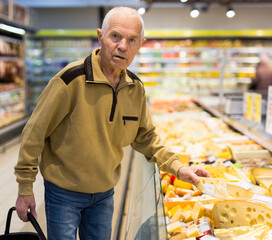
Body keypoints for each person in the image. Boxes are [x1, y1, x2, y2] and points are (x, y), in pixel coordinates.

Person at [14, 6, 211, 240]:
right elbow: (34, 134)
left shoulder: (135, 88)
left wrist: (178, 168)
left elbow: (146, 137)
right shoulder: (70, 80)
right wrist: (25, 187)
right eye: (115, 36)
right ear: (100, 36)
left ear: (140, 44)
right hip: (64, 194)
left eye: (131, 40)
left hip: (104, 195)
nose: (122, 46)